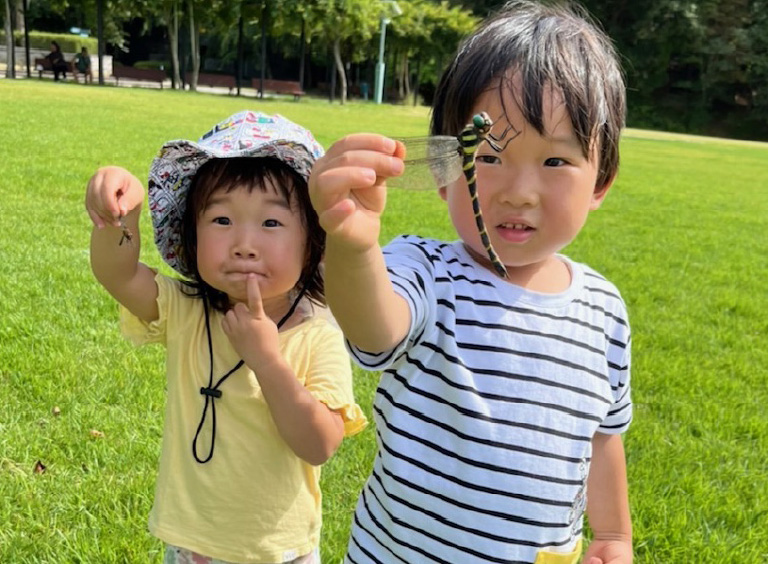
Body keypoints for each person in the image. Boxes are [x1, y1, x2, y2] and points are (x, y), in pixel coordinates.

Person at [309, 1, 632, 563]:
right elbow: (374, 326)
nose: (518, 192)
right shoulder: (426, 272)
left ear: (600, 180)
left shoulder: (604, 309)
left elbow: (603, 437)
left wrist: (612, 535)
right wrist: (353, 244)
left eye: (555, 162)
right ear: (443, 170)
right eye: (488, 157)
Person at [85, 110, 367, 564]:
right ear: (192, 237)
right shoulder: (187, 310)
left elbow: (320, 444)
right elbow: (117, 275)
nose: (244, 243)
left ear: (312, 241)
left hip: (280, 551)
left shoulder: (317, 333)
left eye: (271, 224)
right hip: (193, 546)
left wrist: (268, 362)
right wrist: (120, 217)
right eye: (221, 221)